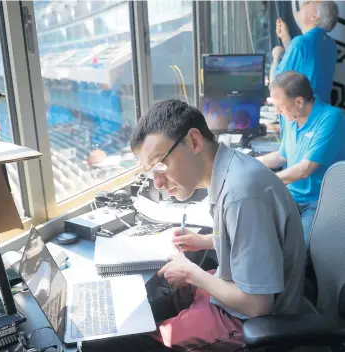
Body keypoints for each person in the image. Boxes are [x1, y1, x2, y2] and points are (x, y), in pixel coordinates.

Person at [91, 99, 306, 351]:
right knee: (150, 309)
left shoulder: (241, 194)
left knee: (131, 342)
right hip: (232, 296)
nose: (157, 183)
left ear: (194, 141)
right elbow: (250, 238)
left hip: (247, 320)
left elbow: (257, 305)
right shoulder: (229, 171)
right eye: (150, 172)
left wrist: (191, 273)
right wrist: (205, 241)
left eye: (161, 164)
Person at [258, 71, 345, 245]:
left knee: (299, 252)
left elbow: (305, 169)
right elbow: (281, 156)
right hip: (291, 197)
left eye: (280, 107)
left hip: (319, 203)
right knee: (258, 237)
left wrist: (263, 179)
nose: (278, 112)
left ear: (299, 102)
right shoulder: (291, 118)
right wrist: (250, 163)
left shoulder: (331, 118)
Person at [270, 1, 338, 103]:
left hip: (300, 117)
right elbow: (303, 64)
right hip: (320, 115)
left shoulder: (300, 43)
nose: (304, 2)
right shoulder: (330, 44)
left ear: (315, 16)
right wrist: (286, 38)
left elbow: (275, 84)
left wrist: (276, 56)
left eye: (309, 2)